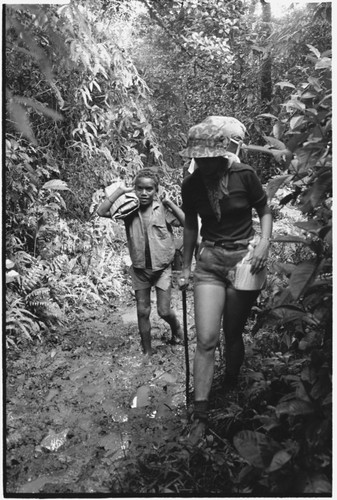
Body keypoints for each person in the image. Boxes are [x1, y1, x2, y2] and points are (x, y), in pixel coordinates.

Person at [178, 116, 273, 445]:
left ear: (221, 153)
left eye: (208, 157)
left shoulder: (243, 175)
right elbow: (191, 225)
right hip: (210, 261)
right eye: (197, 157)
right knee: (206, 339)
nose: (202, 163)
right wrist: (185, 266)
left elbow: (264, 210)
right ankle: (200, 414)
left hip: (243, 262)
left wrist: (263, 242)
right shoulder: (190, 185)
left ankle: (231, 381)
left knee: (232, 333)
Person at [97, 168, 185, 357]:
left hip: (162, 268)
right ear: (134, 189)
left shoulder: (162, 209)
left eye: (149, 189)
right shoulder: (128, 208)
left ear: (156, 190)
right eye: (140, 189)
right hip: (140, 269)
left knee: (163, 311)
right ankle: (147, 350)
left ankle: (177, 328)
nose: (144, 193)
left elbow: (186, 222)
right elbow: (101, 211)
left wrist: (169, 201)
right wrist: (120, 192)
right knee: (142, 311)